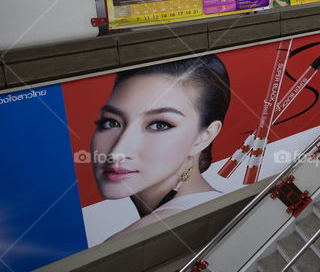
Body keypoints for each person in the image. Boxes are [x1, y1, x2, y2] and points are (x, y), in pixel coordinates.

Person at [90, 56, 231, 238]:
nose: (118, 151)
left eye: (159, 125)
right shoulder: (216, 203)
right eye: (111, 123)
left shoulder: (126, 244)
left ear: (204, 137)